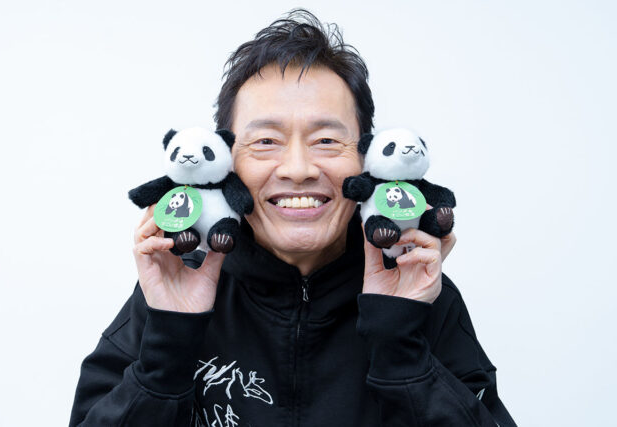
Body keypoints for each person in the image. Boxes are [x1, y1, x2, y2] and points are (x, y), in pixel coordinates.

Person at [69, 9, 516, 427]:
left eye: (326, 141)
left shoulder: (420, 293)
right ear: (227, 161)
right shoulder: (172, 289)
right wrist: (169, 341)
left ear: (367, 160)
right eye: (266, 141)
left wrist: (398, 341)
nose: (298, 169)